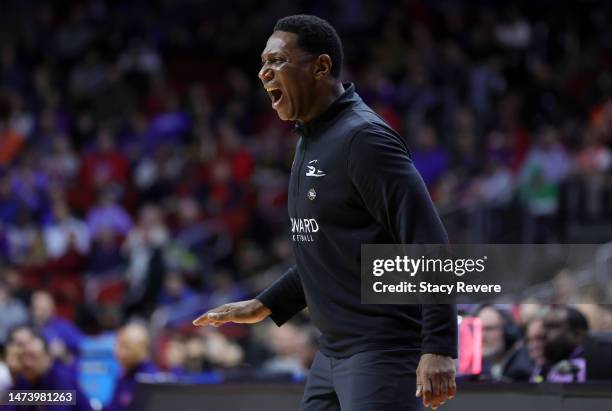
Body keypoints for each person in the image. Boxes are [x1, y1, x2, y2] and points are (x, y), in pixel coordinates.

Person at [194, 15, 457, 411]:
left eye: (277, 61)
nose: (264, 73)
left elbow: (429, 244)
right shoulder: (309, 138)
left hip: (381, 353)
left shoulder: (363, 138)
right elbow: (329, 250)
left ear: (321, 67)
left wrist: (438, 348)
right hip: (331, 353)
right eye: (262, 63)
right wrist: (263, 305)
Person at [2, 333, 92, 411]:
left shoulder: (61, 381)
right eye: (24, 357)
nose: (27, 363)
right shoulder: (23, 381)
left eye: (33, 357)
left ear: (48, 358)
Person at [104, 323, 158, 411]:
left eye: (125, 347)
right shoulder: (125, 373)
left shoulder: (149, 381)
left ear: (142, 349)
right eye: (117, 345)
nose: (117, 352)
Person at [531, 305, 589, 383]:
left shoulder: (585, 368)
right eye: (544, 327)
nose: (543, 333)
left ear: (577, 334)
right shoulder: (543, 366)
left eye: (553, 327)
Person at [476, 305, 532, 382]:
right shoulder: (488, 368)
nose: (482, 336)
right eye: (478, 329)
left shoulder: (520, 372)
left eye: (489, 329)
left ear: (507, 332)